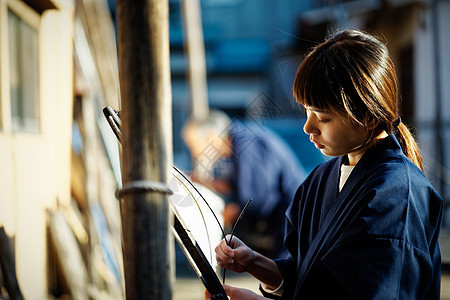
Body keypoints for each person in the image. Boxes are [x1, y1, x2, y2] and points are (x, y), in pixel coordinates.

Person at [208, 29, 444, 299]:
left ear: (367, 115)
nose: (308, 127)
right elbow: (307, 276)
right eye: (307, 110)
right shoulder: (319, 180)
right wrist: (256, 263)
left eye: (322, 117)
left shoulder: (398, 195)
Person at [183, 110, 306, 258]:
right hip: (286, 219)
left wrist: (225, 215)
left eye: (192, 146)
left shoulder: (246, 143)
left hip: (294, 220)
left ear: (210, 137)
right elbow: (238, 185)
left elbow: (257, 199)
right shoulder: (236, 140)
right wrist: (202, 182)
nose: (194, 154)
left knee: (286, 274)